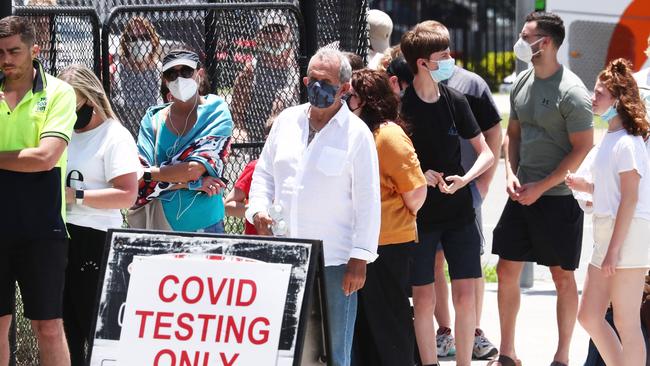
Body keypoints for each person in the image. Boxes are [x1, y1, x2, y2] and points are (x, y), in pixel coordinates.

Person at [245, 48, 381, 366]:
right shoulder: (286, 122)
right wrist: (257, 210)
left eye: (327, 82)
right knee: (284, 345)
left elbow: (368, 199)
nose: (318, 87)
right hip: (285, 254)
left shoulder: (357, 135)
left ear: (345, 89)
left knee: (336, 349)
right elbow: (263, 174)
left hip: (336, 260)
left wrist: (360, 258)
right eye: (313, 80)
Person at [490, 11, 594, 366]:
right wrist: (510, 174)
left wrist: (544, 186)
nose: (520, 40)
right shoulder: (522, 81)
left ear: (544, 42)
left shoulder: (573, 92)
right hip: (522, 195)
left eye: (525, 35)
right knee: (506, 269)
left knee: (562, 277)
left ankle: (562, 357)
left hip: (558, 200)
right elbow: (513, 135)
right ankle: (508, 353)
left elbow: (583, 147)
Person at [400, 20, 494, 366]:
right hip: (419, 216)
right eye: (444, 54)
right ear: (422, 63)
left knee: (466, 295)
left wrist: (466, 179)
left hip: (459, 215)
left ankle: (464, 362)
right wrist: (418, 175)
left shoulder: (456, 99)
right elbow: (389, 161)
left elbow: (485, 151)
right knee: (423, 300)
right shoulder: (402, 108)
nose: (451, 59)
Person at [0, 15, 76, 366]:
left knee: (48, 325)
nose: (6, 59)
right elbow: (30, 157)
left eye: (14, 51)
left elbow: (45, 157)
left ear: (35, 49)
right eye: (0, 52)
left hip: (42, 228)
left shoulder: (60, 92)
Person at [567, 58, 650, 366]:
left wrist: (614, 250)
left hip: (626, 236)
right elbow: (614, 192)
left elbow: (630, 199)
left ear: (618, 100)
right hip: (609, 235)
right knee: (589, 315)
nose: (593, 97)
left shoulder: (628, 142)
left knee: (627, 322)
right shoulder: (612, 139)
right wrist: (585, 185)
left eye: (600, 93)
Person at [57, 64, 140, 366]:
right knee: (67, 329)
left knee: (95, 329)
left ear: (91, 99)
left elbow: (127, 194)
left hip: (96, 240)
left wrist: (75, 196)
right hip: (63, 236)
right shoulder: (64, 132)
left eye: (72, 105)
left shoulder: (115, 136)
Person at [348, 69, 427, 366]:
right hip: (360, 243)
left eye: (351, 95)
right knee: (368, 324)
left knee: (389, 321)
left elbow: (416, 193)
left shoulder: (389, 135)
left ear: (368, 99)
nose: (345, 101)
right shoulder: (357, 133)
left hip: (388, 243)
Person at [132, 49, 233, 232]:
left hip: (205, 223)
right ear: (165, 80)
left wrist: (153, 174)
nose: (179, 79)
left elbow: (193, 169)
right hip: (160, 223)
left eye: (186, 71)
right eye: (172, 74)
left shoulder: (217, 111)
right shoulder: (153, 119)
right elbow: (137, 178)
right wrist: (192, 183)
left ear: (199, 74)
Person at [230, 14, 299, 143]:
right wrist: (244, 132)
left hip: (291, 139)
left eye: (279, 30)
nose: (274, 36)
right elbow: (237, 110)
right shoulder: (251, 70)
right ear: (260, 35)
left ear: (288, 33)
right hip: (259, 141)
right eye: (268, 31)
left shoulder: (298, 67)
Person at [223, 116, 275, 235]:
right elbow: (228, 205)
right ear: (268, 139)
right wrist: (258, 210)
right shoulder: (256, 167)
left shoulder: (300, 169)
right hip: (257, 240)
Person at [113, 16, 162, 130]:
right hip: (126, 128)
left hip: (152, 128)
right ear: (127, 43)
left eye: (145, 37)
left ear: (152, 40)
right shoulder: (118, 68)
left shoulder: (160, 69)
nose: (139, 43)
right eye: (133, 39)